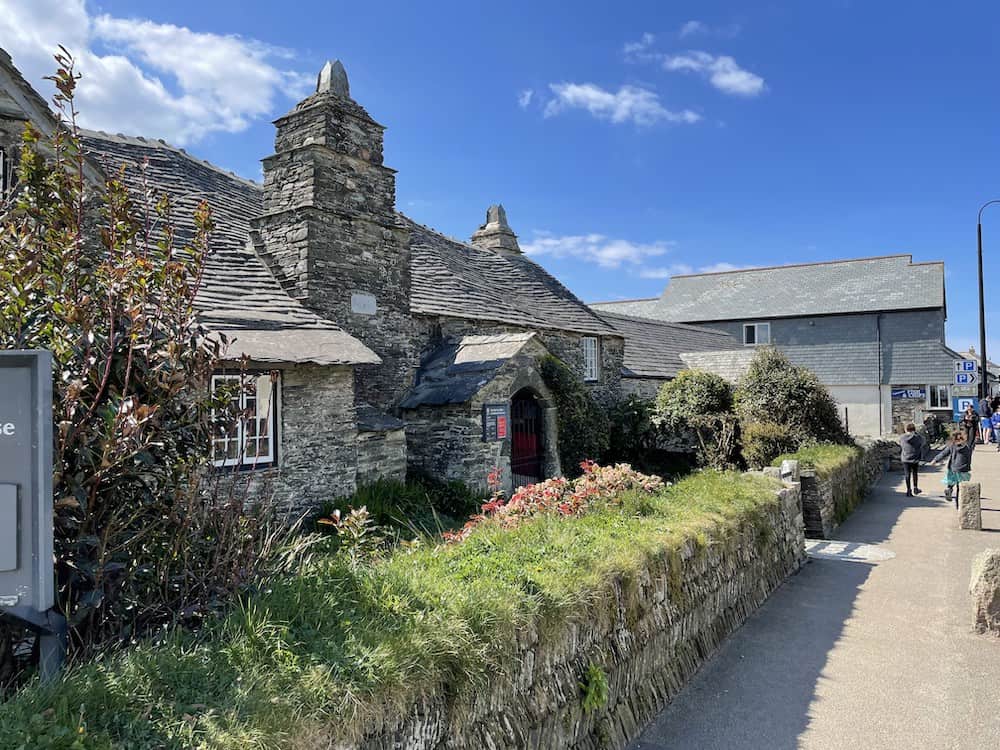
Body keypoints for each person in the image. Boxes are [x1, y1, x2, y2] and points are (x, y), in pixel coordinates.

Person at [931, 430, 974, 506]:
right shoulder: (967, 447)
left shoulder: (952, 446)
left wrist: (935, 459)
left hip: (952, 468)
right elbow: (968, 458)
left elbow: (944, 453)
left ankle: (949, 489)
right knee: (960, 488)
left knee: (951, 481)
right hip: (962, 468)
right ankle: (958, 504)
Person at [899, 423, 925, 497]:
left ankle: (908, 490)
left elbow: (900, 444)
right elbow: (923, 442)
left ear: (906, 429)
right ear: (914, 430)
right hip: (915, 458)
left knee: (907, 474)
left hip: (905, 458)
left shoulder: (903, 437)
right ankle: (915, 488)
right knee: (915, 473)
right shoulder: (918, 437)